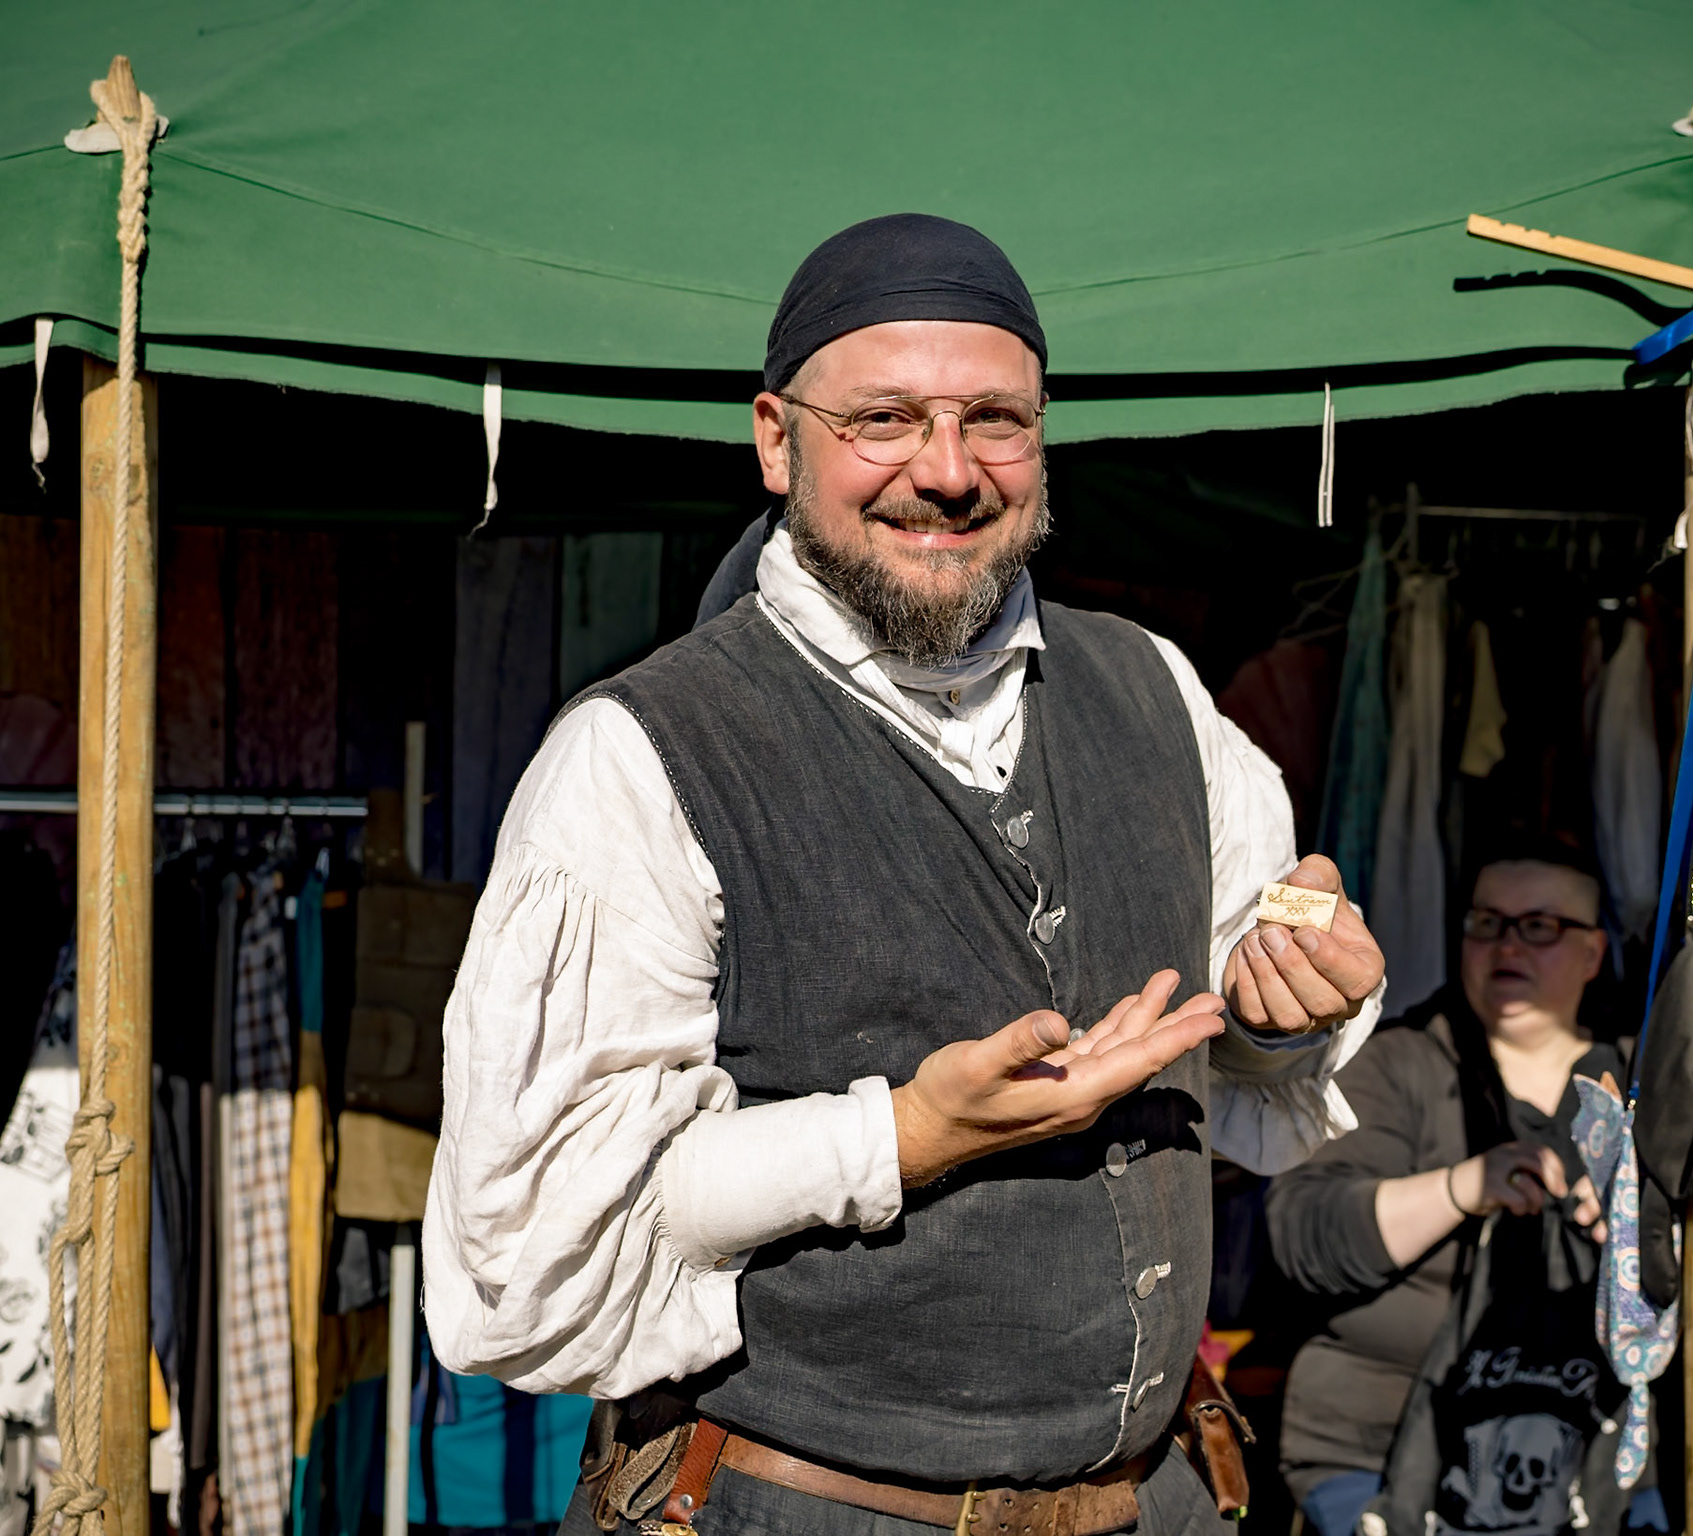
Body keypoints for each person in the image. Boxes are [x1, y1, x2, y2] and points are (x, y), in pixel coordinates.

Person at [423, 213, 1387, 1536]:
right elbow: (552, 1220)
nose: (947, 472)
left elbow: (1245, 1045)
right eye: (883, 420)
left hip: (1152, 1501)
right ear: (778, 439)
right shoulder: (639, 755)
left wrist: (1291, 1002)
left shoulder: (1157, 692)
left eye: (996, 421)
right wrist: (902, 1137)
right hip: (796, 1509)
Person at [1264, 842, 1619, 1536]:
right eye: (1486, 922)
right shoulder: (1395, 1062)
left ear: (1593, 953)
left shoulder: (1637, 1082)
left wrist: (1635, 1230)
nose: (1507, 944)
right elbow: (1301, 1235)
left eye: (1539, 926)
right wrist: (1461, 1188)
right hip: (1379, 1446)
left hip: (1588, 1457)